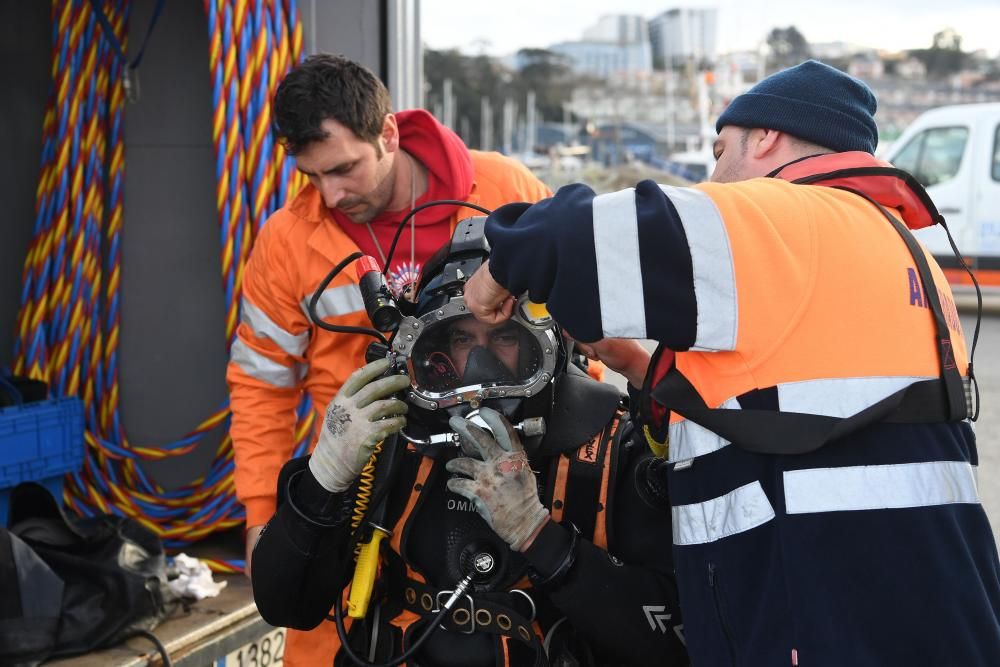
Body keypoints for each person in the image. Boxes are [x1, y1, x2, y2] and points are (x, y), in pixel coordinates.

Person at [462, 60, 1000, 666]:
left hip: (828, 618)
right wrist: (641, 368)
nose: (713, 175)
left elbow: (571, 233)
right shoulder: (894, 247)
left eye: (721, 151)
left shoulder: (785, 217)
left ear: (766, 138)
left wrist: (492, 276)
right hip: (926, 601)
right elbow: (802, 407)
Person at [225, 54, 552, 665]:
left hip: (503, 477)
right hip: (359, 489)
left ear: (389, 134)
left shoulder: (505, 193)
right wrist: (264, 518)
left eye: (345, 169)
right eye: (313, 176)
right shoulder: (287, 242)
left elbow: (571, 336)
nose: (332, 193)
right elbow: (260, 383)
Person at [250, 219, 689, 666]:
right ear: (431, 347)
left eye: (503, 337)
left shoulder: (608, 449)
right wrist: (323, 481)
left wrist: (540, 537)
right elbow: (283, 606)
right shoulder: (389, 441)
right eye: (462, 338)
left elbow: (679, 643)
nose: (480, 363)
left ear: (544, 345)